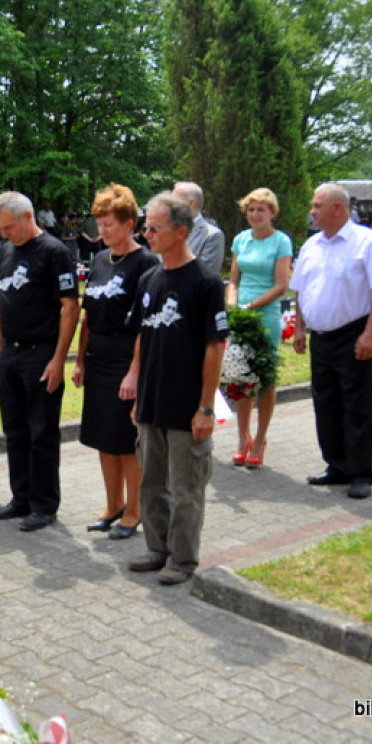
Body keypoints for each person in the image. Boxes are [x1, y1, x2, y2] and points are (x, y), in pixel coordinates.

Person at [125, 192, 228, 585]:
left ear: (181, 231)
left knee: (185, 488)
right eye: (145, 227)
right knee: (151, 481)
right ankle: (158, 548)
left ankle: (183, 559)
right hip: (152, 400)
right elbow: (142, 335)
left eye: (155, 228)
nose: (147, 234)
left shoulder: (204, 282)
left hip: (187, 404)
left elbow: (215, 346)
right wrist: (137, 388)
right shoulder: (149, 278)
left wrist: (205, 407)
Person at [291, 183, 372, 499]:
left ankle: (361, 471)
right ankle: (337, 465)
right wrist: (299, 327)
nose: (312, 212)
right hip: (321, 338)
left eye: (316, 205)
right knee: (326, 404)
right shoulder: (312, 245)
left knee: (359, 405)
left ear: (337, 208)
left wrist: (370, 333)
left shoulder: (367, 242)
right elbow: (301, 289)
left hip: (354, 334)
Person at [0, 191, 79, 532]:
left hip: (41, 352)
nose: (5, 234)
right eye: (1, 229)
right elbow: (3, 302)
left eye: (10, 227)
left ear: (28, 216)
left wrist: (59, 359)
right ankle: (21, 497)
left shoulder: (54, 252)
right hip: (10, 353)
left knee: (41, 431)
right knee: (15, 430)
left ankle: (44, 504)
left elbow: (70, 307)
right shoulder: (6, 251)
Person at [72, 185, 158, 539]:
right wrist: (80, 360)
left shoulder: (146, 263)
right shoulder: (100, 260)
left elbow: (145, 325)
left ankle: (134, 511)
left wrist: (134, 373)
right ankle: (112, 504)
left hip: (126, 359)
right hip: (98, 358)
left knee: (125, 442)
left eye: (109, 224)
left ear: (129, 224)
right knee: (103, 438)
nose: (103, 230)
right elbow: (88, 316)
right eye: (100, 223)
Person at [225, 188, 293, 469]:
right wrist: (232, 305)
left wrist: (251, 306)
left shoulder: (281, 241)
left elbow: (281, 285)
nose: (255, 215)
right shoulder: (241, 239)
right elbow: (234, 280)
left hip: (265, 315)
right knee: (241, 377)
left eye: (261, 210)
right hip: (240, 315)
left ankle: (261, 438)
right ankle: (243, 437)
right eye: (251, 210)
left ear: (272, 212)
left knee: (264, 379)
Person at [173, 181, 225, 274]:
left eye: (174, 201)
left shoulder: (212, 236)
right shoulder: (167, 230)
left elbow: (206, 274)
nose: (169, 206)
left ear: (191, 203)